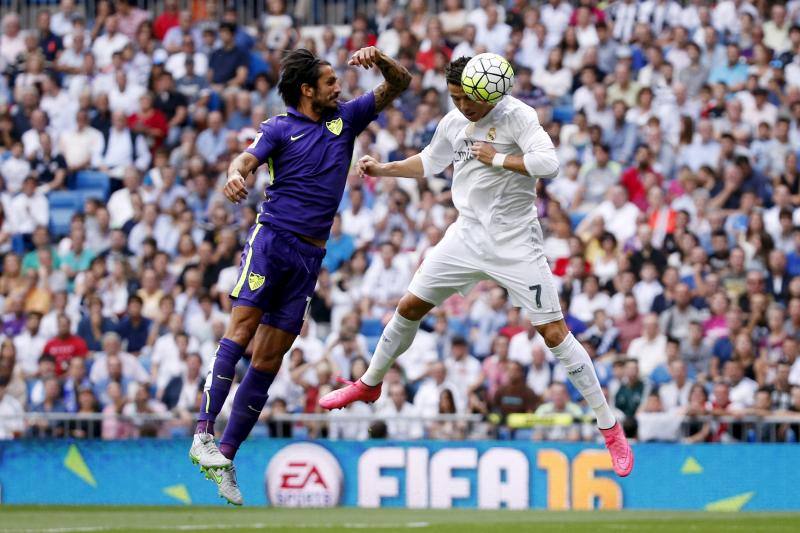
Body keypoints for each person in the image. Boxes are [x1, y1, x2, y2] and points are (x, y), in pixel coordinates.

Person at [319, 56, 634, 478]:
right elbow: (430, 162)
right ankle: (370, 383)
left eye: (467, 98)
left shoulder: (518, 116)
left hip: (516, 242)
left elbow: (549, 165)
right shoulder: (454, 123)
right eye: (455, 98)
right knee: (410, 306)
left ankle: (609, 427)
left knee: (554, 334)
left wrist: (499, 159)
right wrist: (384, 169)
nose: (462, 105)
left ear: (488, 91)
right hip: (465, 236)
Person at [188, 46, 410, 505]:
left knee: (269, 361)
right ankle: (203, 433)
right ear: (308, 90)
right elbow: (244, 162)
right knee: (242, 329)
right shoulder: (278, 129)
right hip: (272, 242)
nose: (339, 87)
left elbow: (400, 83)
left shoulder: (345, 119)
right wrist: (233, 176)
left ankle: (225, 457)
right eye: (330, 82)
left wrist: (382, 59)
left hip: (309, 258)